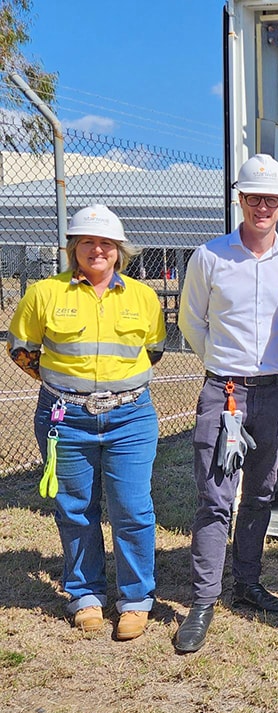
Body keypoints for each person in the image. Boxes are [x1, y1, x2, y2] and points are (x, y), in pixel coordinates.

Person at [8, 204, 165, 640]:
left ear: (119, 251)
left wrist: (113, 390)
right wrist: (68, 389)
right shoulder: (44, 294)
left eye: (107, 244)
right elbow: (22, 349)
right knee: (75, 509)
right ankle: (86, 595)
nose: (97, 250)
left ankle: (135, 599)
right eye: (88, 243)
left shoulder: (142, 296)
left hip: (130, 417)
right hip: (66, 418)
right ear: (74, 248)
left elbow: (154, 349)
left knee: (132, 508)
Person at [174, 154, 278, 653]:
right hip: (224, 391)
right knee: (215, 495)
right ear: (240, 200)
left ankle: (247, 584)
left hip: (277, 390)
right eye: (254, 198)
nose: (262, 207)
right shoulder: (209, 257)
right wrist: (224, 366)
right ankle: (203, 600)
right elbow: (192, 322)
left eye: (271, 199)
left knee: (263, 491)